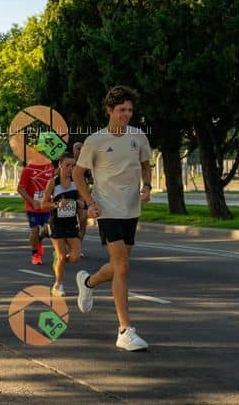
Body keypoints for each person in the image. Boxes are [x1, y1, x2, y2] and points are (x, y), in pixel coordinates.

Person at [72, 85, 152, 351]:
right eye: (121, 110)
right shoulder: (95, 141)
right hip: (106, 209)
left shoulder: (138, 136)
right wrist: (90, 203)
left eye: (129, 110)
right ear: (109, 110)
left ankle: (88, 282)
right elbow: (78, 174)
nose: (126, 114)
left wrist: (147, 186)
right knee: (123, 267)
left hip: (131, 209)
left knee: (120, 265)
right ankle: (124, 331)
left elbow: (145, 165)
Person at [40, 152, 83, 296]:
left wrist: (80, 203)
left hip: (71, 223)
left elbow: (83, 200)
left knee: (75, 257)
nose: (70, 168)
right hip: (56, 223)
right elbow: (43, 204)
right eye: (67, 165)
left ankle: (58, 260)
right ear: (60, 165)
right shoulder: (53, 182)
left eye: (73, 166)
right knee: (62, 256)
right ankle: (58, 285)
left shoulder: (77, 182)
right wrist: (57, 205)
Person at [17, 157, 55, 265]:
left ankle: (38, 240)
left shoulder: (50, 168)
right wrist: (32, 201)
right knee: (35, 230)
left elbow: (53, 185)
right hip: (32, 207)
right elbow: (20, 188)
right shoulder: (28, 169)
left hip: (46, 206)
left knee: (48, 230)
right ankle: (35, 254)